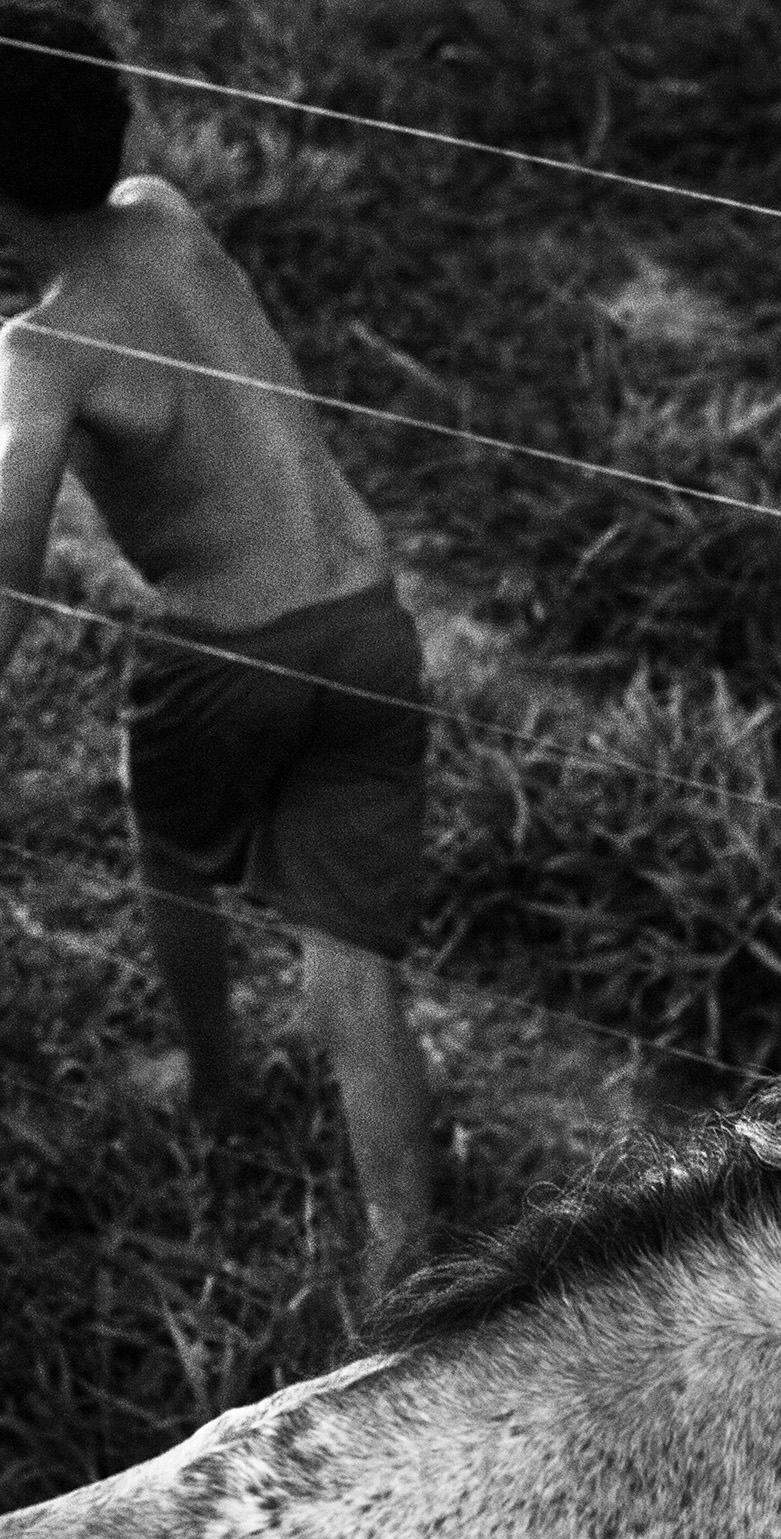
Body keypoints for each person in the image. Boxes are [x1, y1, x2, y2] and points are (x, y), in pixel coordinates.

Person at [0, 3, 432, 1290]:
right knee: (358, 971)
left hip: (224, 654)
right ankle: (400, 1260)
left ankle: (212, 1084)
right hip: (370, 623)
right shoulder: (169, 214)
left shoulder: (39, 352)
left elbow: (9, 576)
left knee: (169, 846)